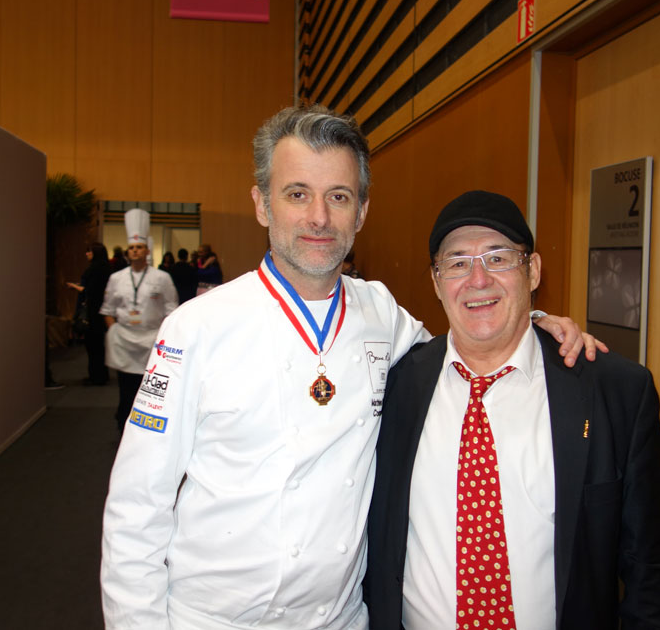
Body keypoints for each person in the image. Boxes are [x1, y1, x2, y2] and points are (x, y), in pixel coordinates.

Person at [100, 106, 602, 630]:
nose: (319, 217)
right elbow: (137, 506)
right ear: (262, 204)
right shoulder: (196, 328)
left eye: (338, 197)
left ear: (360, 213)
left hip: (341, 619)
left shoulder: (380, 312)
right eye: (297, 194)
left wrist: (533, 325)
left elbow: (463, 347)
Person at [364, 190, 660, 629]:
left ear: (531, 271)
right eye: (457, 263)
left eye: (498, 258)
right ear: (436, 283)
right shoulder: (395, 386)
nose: (478, 280)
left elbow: (649, 571)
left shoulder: (614, 391)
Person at [101, 209, 179, 432]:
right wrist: (114, 332)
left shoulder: (162, 278)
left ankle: (146, 428)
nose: (135, 250)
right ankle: (123, 426)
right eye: (132, 247)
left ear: (147, 251)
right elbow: (108, 309)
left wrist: (163, 338)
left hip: (151, 340)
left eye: (139, 247)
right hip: (124, 341)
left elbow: (171, 310)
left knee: (151, 388)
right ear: (128, 251)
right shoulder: (116, 278)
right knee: (125, 388)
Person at [67, 242, 112, 385]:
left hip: (93, 313)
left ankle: (96, 376)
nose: (87, 254)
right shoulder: (105, 268)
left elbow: (90, 291)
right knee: (98, 346)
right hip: (99, 312)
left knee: (93, 346)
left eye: (89, 251)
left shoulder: (95, 269)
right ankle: (100, 375)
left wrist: (75, 287)